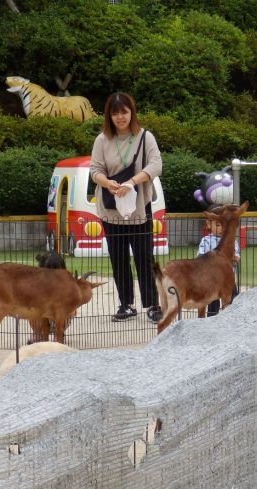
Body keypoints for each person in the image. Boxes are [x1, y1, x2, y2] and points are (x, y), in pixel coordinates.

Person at [90, 92, 163, 323]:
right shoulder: (102, 140)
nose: (120, 117)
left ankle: (152, 304)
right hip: (112, 210)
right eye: (115, 113)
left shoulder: (145, 137)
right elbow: (95, 170)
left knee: (144, 257)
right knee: (119, 258)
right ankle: (126, 304)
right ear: (109, 116)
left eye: (124, 112)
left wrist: (132, 182)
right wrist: (109, 183)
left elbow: (156, 164)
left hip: (139, 207)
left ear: (132, 112)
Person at [197, 204, 240, 316]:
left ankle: (234, 319)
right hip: (213, 280)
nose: (221, 228)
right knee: (213, 304)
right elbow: (201, 256)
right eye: (217, 224)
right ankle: (212, 321)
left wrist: (235, 258)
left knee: (234, 301)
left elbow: (236, 255)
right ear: (208, 224)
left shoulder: (231, 240)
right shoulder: (206, 241)